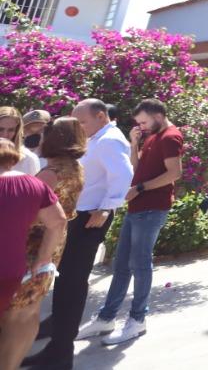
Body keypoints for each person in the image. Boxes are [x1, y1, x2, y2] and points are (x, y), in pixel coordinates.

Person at [26, 100, 133, 369]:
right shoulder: (98, 137)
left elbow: (124, 174)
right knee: (66, 282)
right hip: (79, 215)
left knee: (72, 283)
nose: (80, 128)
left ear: (100, 116)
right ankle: (57, 338)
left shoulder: (109, 139)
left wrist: (107, 208)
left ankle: (61, 353)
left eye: (83, 122)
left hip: (89, 218)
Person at [80, 99, 183, 346]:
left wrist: (140, 188)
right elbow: (134, 169)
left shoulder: (170, 136)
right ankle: (106, 318)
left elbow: (174, 173)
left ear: (158, 115)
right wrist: (135, 143)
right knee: (121, 264)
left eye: (144, 122)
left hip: (152, 208)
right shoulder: (151, 137)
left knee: (140, 264)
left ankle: (137, 320)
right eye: (139, 123)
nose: (142, 126)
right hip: (137, 206)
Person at [0, 119, 84, 370]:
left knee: (17, 315)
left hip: (30, 248)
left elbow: (30, 213)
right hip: (49, 248)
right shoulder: (74, 167)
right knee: (29, 311)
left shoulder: (48, 173)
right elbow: (59, 219)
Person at [0, 109, 40, 176]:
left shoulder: (29, 159)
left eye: (11, 130)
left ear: (17, 131)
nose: (5, 135)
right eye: (0, 129)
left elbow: (35, 186)